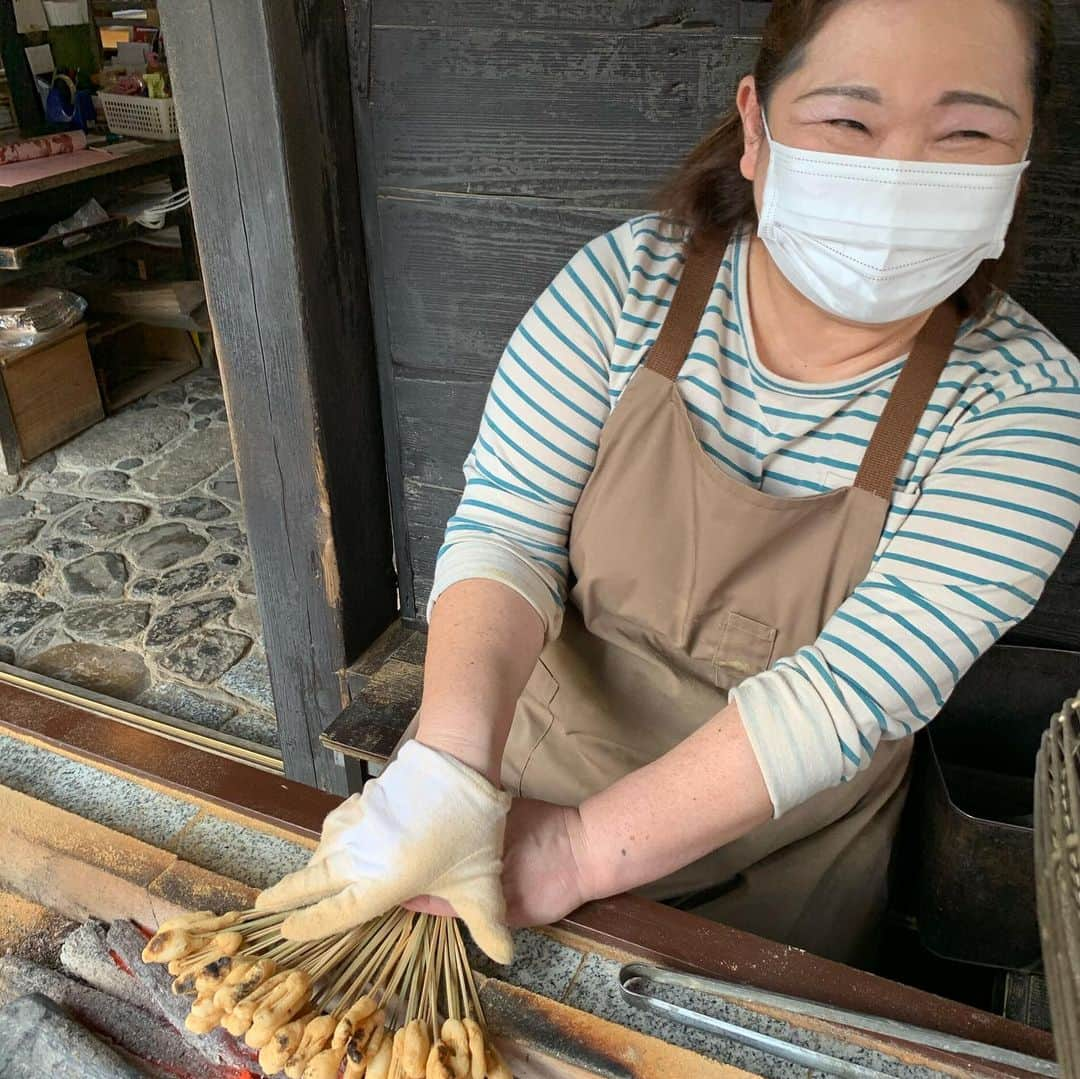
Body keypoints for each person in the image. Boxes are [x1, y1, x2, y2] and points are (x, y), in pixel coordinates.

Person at [257, 0, 1080, 966]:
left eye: (968, 132)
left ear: (1023, 161)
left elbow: (845, 694)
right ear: (757, 127)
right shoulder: (623, 286)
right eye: (849, 122)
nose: (898, 175)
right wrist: (447, 773)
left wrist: (574, 852)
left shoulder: (1026, 410)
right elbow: (507, 533)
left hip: (777, 886)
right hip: (512, 797)